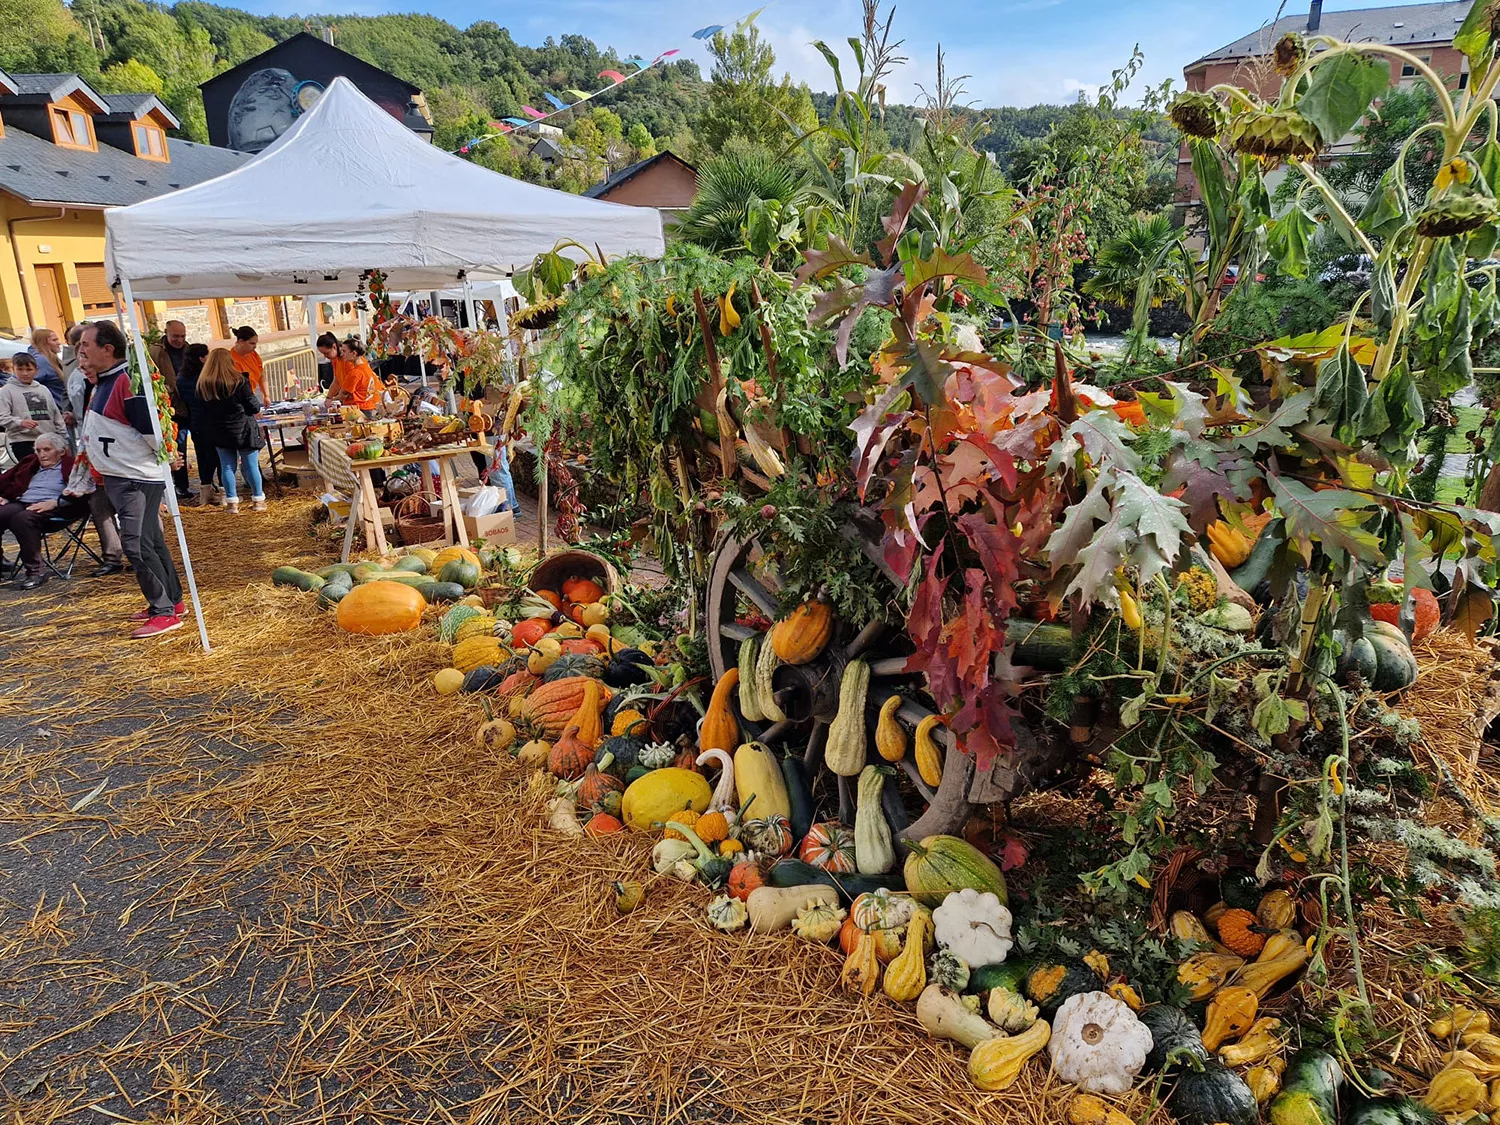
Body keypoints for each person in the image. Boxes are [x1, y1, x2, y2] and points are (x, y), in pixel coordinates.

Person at [78, 320, 184, 638]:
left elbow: (150, 427)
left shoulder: (126, 381)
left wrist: (168, 455)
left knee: (136, 544)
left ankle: (165, 611)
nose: (81, 349)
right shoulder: (105, 381)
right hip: (123, 476)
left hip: (135, 477)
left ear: (107, 349)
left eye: (86, 344)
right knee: (150, 540)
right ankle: (171, 603)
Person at [0, 433, 86, 589]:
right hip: (24, 502)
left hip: (57, 507)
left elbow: (82, 492)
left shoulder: (72, 466)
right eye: (38, 450)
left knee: (22, 519)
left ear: (61, 451)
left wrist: (54, 503)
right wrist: (6, 497)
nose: (42, 454)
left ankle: (36, 571)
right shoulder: (30, 464)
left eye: (47, 449)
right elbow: (10, 481)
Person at [195, 347, 266, 513]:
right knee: (251, 465)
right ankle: (258, 500)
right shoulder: (239, 381)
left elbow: (201, 410)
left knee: (227, 466)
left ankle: (232, 502)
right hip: (243, 428)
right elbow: (254, 405)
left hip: (220, 430)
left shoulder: (204, 384)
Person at [149, 320, 196, 502]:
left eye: (183, 336)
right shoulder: (156, 352)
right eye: (176, 336)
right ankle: (180, 486)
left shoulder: (189, 349)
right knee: (177, 447)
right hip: (171, 408)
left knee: (199, 444)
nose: (179, 340)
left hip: (191, 404)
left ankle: (204, 483)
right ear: (166, 333)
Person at [176, 344, 221, 506]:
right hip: (212, 421)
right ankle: (224, 492)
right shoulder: (206, 377)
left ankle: (205, 491)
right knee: (219, 456)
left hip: (195, 422)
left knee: (203, 457)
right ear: (202, 358)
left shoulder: (181, 378)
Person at [0, 352, 63, 461]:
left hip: (48, 439)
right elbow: (2, 417)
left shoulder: (43, 389)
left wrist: (63, 437)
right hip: (23, 441)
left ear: (36, 370)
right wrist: (20, 422)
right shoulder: (7, 391)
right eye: (20, 369)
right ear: (14, 369)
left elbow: (56, 415)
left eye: (29, 370)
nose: (25, 373)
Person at [324, 337, 380, 415]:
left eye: (344, 351)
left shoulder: (355, 373)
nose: (342, 354)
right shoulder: (365, 367)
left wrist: (330, 400)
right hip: (371, 407)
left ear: (354, 353)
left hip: (359, 410)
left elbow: (342, 395)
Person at [27, 328, 67, 409]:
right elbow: (25, 382)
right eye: (54, 340)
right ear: (43, 343)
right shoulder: (41, 361)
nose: (59, 343)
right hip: (54, 410)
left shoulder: (49, 358)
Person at [229, 326, 265, 399]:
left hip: (251, 395)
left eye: (256, 343)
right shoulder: (231, 359)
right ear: (241, 342)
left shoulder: (253, 354)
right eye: (252, 343)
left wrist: (266, 395)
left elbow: (262, 375)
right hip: (240, 399)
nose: (255, 346)